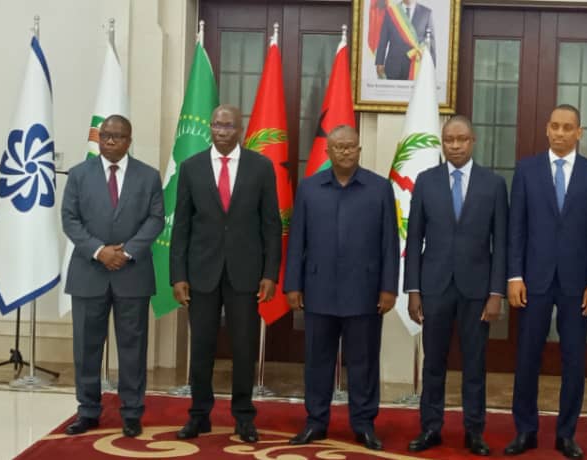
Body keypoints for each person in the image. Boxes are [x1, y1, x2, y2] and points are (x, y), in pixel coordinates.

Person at [170, 104, 282, 442]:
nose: (221, 131)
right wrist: (178, 275)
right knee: (201, 347)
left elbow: (271, 225)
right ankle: (199, 415)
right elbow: (182, 226)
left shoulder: (260, 167)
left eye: (228, 125)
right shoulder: (191, 167)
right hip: (201, 273)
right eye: (216, 125)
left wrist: (270, 273)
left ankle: (244, 416)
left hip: (245, 273)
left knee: (244, 348)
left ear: (240, 129)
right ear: (210, 127)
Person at [283, 125, 399, 451]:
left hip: (365, 292)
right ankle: (315, 421)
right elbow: (297, 241)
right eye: (339, 147)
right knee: (317, 361)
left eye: (351, 146)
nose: (345, 151)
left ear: (359, 150)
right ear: (328, 151)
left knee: (363, 363)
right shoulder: (309, 188)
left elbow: (389, 243)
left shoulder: (379, 188)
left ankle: (363, 424)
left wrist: (389, 287)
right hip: (318, 289)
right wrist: (293, 285)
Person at [505, 104, 587, 458]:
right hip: (532, 281)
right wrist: (514, 275)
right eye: (555, 126)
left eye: (568, 128)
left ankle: (566, 434)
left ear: (579, 132)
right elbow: (516, 228)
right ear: (547, 129)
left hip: (577, 285)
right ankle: (526, 431)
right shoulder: (526, 170)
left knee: (574, 362)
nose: (560, 133)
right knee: (527, 358)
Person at [404, 115, 508, 456]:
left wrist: (496, 293)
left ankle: (474, 431)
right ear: (442, 143)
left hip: (477, 291)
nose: (455, 145)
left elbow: (501, 243)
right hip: (434, 288)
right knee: (433, 363)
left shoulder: (493, 184)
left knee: (474, 365)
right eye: (449, 140)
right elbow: (414, 239)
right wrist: (413, 290)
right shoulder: (426, 181)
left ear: (473, 141)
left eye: (461, 139)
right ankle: (430, 428)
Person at [61, 115, 164, 438]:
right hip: (89, 272)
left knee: (133, 347)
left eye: (117, 136)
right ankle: (87, 411)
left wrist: (127, 252)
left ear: (129, 141)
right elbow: (69, 219)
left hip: (132, 273)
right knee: (86, 347)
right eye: (105, 135)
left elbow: (156, 219)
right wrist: (99, 251)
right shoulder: (79, 174)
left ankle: (132, 413)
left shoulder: (149, 176)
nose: (109, 140)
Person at [374, 0, 436, 80]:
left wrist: (432, 65)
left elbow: (431, 42)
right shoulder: (391, 12)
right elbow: (383, 39)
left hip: (417, 66)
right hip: (393, 66)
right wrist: (379, 62)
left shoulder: (426, 13)